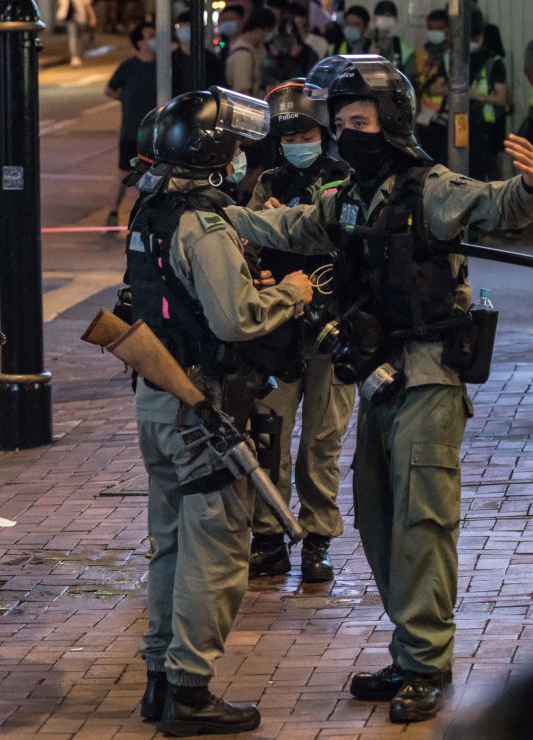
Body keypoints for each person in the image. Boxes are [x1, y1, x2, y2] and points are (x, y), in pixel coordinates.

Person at [223, 54, 533, 724]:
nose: (345, 133)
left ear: (389, 120)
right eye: (340, 123)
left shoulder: (431, 187)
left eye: (359, 120)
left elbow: (498, 206)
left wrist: (531, 185)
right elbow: (295, 225)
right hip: (377, 378)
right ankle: (409, 648)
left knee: (423, 523)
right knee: (379, 517)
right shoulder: (354, 196)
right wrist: (219, 216)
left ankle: (426, 662)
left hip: (427, 377)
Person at [124, 86, 313, 735]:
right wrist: (291, 292)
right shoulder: (202, 226)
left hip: (159, 398)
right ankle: (190, 690)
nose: (241, 159)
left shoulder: (153, 208)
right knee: (217, 553)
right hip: (202, 407)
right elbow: (235, 320)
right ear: (213, 153)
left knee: (171, 546)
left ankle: (160, 678)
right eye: (235, 148)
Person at [245, 79, 352, 581]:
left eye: (305, 132)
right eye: (288, 134)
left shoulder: (346, 179)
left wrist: (286, 223)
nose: (297, 142)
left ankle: (317, 539)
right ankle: (268, 536)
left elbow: (343, 234)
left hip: (335, 328)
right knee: (269, 436)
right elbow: (248, 244)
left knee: (320, 443)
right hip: (279, 327)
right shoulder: (268, 181)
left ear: (322, 131)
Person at [103, 21, 155, 228]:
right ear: (140, 43)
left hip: (156, 132)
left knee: (154, 173)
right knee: (124, 172)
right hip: (132, 129)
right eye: (150, 35)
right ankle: (113, 211)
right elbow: (109, 89)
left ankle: (148, 211)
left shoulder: (164, 65)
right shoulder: (129, 66)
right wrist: (126, 99)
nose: (155, 39)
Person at [407, 10, 449, 166]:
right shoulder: (420, 54)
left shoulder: (451, 55)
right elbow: (411, 82)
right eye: (432, 28)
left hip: (446, 120)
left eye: (439, 28)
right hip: (424, 119)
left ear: (448, 29)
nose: (435, 33)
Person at [468, 14, 506, 183]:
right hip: (471, 125)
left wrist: (476, 96)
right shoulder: (463, 59)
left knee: (492, 168)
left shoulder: (494, 62)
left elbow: (501, 98)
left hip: (490, 126)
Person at [225, 8, 274, 98]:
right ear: (258, 29)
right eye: (267, 30)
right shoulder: (243, 55)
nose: (268, 34)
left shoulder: (259, 48)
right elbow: (243, 93)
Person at [173, 10, 225, 96]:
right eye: (181, 26)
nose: (184, 30)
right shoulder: (172, 59)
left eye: (188, 26)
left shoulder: (210, 59)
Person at [370, 1, 410, 72]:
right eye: (382, 15)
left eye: (389, 15)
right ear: (374, 18)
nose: (385, 19)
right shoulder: (365, 43)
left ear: (396, 19)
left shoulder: (402, 49)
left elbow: (407, 79)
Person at [56, 0, 94, 67]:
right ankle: (75, 56)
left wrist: (92, 17)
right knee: (73, 37)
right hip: (70, 18)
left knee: (79, 37)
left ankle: (77, 55)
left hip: (80, 17)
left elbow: (87, 5)